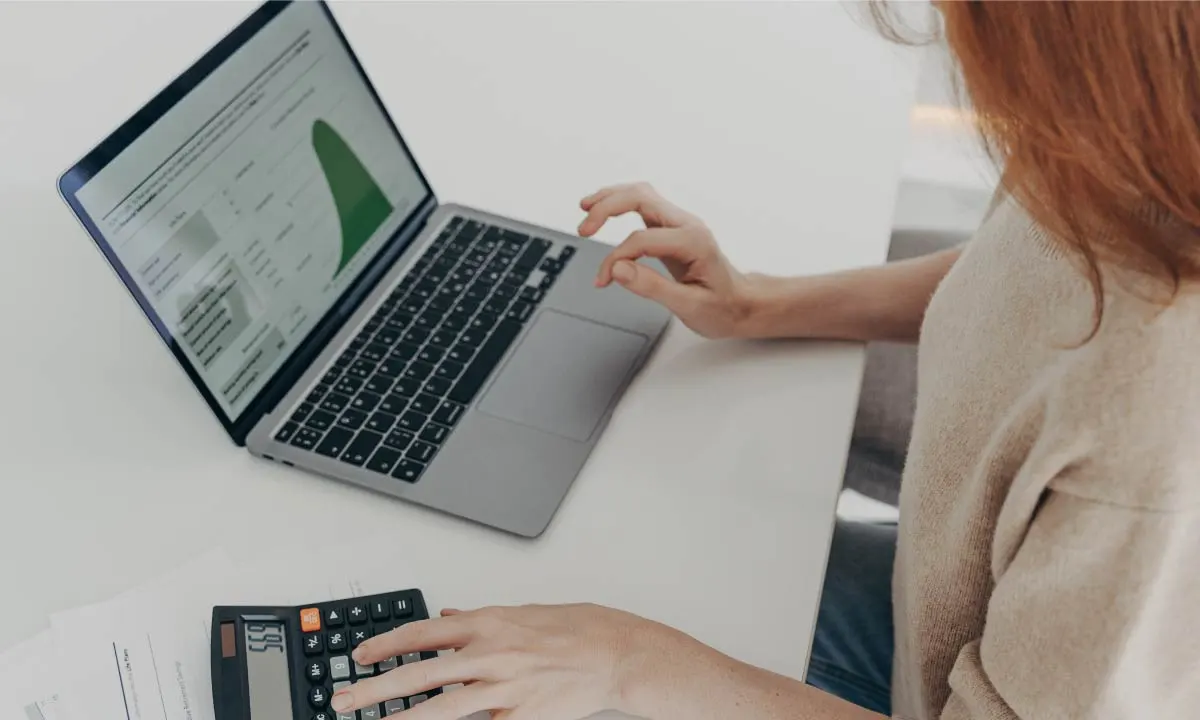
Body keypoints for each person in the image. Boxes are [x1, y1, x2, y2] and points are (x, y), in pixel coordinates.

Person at [331, 3, 1200, 718]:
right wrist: (755, 305)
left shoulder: (1151, 429)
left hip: (953, 688)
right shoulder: (1131, 142)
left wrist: (629, 659)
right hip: (959, 587)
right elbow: (1020, 275)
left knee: (550, 630)